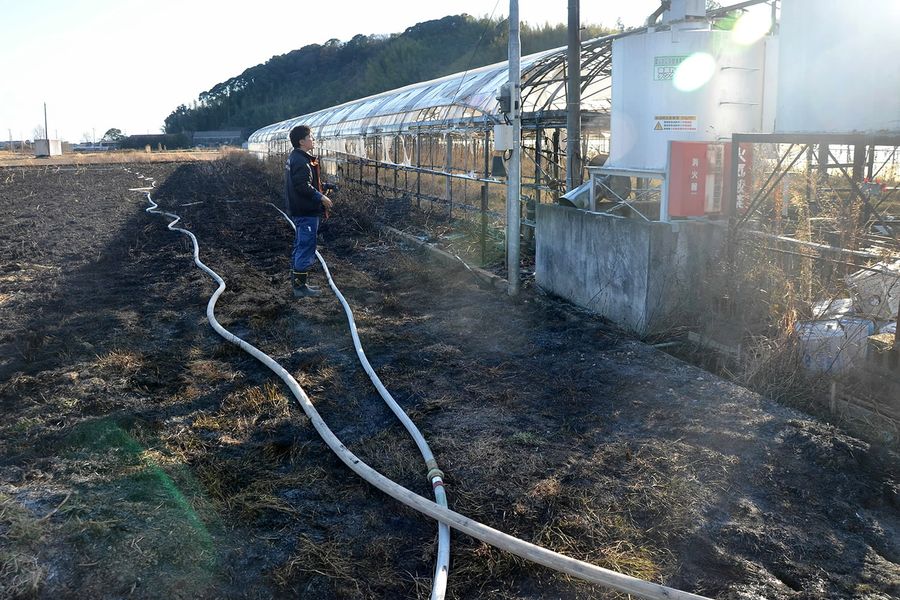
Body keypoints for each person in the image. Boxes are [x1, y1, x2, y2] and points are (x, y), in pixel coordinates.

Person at [284, 125, 335, 298]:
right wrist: (321, 197)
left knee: (301, 245)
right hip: (305, 212)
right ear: (302, 141)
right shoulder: (300, 160)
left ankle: (300, 284)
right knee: (305, 246)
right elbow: (301, 186)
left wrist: (324, 187)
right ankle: (299, 288)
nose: (312, 139)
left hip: (302, 210)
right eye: (310, 137)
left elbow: (305, 182)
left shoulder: (299, 158)